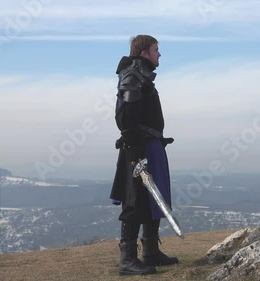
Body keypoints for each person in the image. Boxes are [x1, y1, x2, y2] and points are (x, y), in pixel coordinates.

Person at [110, 35, 178, 276]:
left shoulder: (143, 76)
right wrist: (137, 152)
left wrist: (157, 140)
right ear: (144, 53)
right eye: (156, 50)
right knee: (135, 201)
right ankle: (127, 259)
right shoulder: (133, 76)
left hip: (150, 145)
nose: (159, 54)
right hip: (138, 149)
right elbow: (126, 120)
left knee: (151, 199)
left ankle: (150, 252)